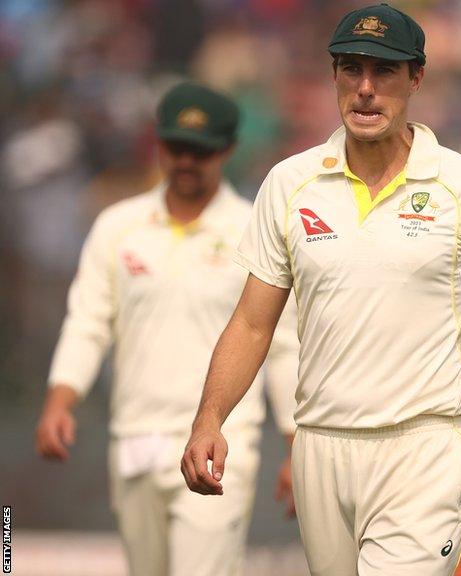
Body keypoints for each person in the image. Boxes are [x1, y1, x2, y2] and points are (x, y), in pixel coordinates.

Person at [179, 4, 461, 575]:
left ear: (417, 77)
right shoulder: (288, 183)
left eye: (385, 71)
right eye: (351, 69)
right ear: (333, 76)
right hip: (320, 446)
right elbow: (253, 323)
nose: (366, 89)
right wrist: (209, 420)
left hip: (424, 449)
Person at [34, 81, 300, 576]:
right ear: (158, 145)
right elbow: (88, 321)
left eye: (200, 151)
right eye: (176, 147)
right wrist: (60, 400)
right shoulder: (118, 226)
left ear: (228, 149)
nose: (186, 161)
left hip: (222, 443)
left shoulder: (254, 230)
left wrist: (293, 446)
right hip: (133, 440)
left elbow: (281, 345)